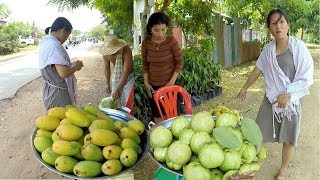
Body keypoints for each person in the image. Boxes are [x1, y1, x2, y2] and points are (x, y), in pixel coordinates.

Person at [237, 9, 314, 180]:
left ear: (288, 25)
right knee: (258, 133)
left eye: (281, 22)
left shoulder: (298, 47)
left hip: (291, 103)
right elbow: (258, 69)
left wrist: (289, 94)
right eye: (273, 23)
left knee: (289, 139)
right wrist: (245, 87)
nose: (278, 26)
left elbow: (306, 77)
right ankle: (251, 167)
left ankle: (283, 170)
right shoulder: (268, 50)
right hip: (271, 99)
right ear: (269, 28)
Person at [141, 12, 183, 124]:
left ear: (166, 28)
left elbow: (179, 63)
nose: (160, 34)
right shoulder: (146, 43)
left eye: (163, 29)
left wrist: (171, 83)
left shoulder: (172, 42)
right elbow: (145, 63)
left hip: (170, 84)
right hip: (153, 86)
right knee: (157, 114)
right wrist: (146, 83)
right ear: (150, 29)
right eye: (156, 30)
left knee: (173, 114)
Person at [38, 17, 84, 110]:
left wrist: (71, 65)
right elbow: (63, 73)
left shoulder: (46, 41)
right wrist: (76, 66)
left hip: (50, 90)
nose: (66, 39)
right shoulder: (53, 45)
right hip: (58, 94)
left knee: (55, 119)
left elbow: (55, 67)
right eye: (67, 36)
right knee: (62, 121)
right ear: (63, 30)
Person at [99, 35, 134, 115]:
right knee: (114, 99)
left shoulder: (126, 50)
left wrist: (118, 89)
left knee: (129, 99)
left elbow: (126, 71)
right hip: (117, 74)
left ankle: (130, 116)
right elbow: (107, 68)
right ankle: (116, 115)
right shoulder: (105, 54)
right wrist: (107, 83)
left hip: (129, 75)